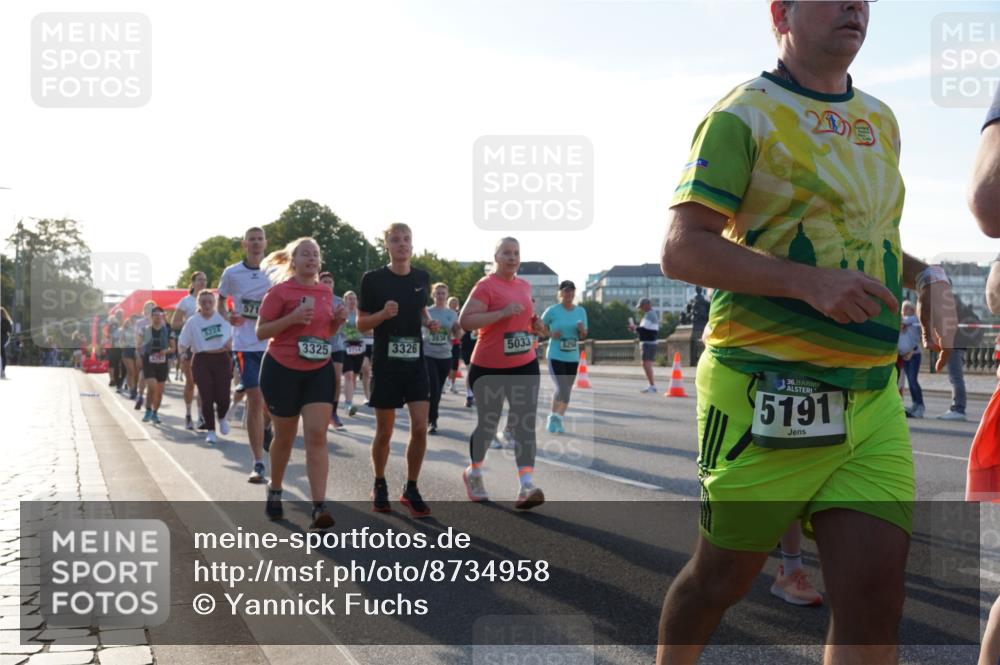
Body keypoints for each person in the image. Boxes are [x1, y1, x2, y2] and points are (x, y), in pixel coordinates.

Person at [656, 2, 956, 663]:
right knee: (719, 581)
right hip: (764, 391)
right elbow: (682, 248)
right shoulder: (742, 114)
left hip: (870, 400)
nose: (855, 5)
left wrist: (928, 275)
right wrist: (807, 282)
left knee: (876, 599)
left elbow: (867, 240)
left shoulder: (880, 119)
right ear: (781, 13)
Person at [255, 237, 346, 529]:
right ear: (293, 261)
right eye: (305, 254)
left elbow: (325, 333)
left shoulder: (325, 292)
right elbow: (261, 331)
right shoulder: (279, 292)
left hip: (318, 368)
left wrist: (338, 322)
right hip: (281, 369)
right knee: (285, 436)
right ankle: (276, 488)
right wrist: (292, 318)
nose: (311, 258)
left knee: (317, 435)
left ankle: (319, 507)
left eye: (316, 254)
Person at [459, 237, 547, 510]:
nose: (512, 258)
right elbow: (466, 321)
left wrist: (536, 324)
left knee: (524, 423)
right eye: (506, 253)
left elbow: (524, 320)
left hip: (524, 362)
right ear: (495, 256)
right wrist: (502, 312)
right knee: (488, 424)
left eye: (516, 253)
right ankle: (473, 472)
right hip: (489, 366)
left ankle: (526, 486)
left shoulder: (524, 285)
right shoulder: (485, 286)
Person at [358, 223, 436, 517]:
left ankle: (411, 487)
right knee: (385, 431)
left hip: (415, 363)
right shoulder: (373, 279)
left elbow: (420, 307)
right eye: (395, 240)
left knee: (419, 427)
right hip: (387, 364)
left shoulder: (421, 277)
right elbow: (361, 323)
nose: (402, 244)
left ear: (412, 245)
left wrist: (428, 321)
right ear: (386, 245)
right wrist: (382, 314)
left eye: (407, 240)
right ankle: (379, 483)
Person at [218, 227, 274, 483]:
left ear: (265, 242)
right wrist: (228, 316)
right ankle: (258, 463)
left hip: (273, 343)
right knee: (254, 396)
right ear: (244, 244)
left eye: (259, 239)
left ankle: (266, 425)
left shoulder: (276, 270)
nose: (255, 243)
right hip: (246, 345)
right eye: (251, 239)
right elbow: (221, 302)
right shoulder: (232, 273)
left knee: (271, 402)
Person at [178, 289, 233, 444]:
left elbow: (234, 335)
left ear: (215, 303)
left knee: (223, 398)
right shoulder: (193, 321)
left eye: (210, 302)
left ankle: (222, 418)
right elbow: (182, 343)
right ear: (199, 304)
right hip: (202, 360)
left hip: (222, 358)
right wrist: (182, 353)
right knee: (206, 397)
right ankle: (211, 431)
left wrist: (231, 343)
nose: (207, 305)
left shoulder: (222, 318)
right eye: (204, 302)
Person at [540, 280, 588, 434]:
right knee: (562, 388)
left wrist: (582, 330)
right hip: (555, 354)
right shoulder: (552, 310)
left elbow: (584, 334)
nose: (569, 294)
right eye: (566, 291)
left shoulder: (580, 311)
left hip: (572, 356)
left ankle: (558, 418)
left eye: (572, 291)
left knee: (567, 389)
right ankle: (552, 417)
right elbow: (537, 327)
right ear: (560, 293)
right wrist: (550, 334)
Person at [425, 283, 463, 434]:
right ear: (433, 295)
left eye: (443, 293)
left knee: (438, 390)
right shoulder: (427, 311)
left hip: (445, 355)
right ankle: (432, 420)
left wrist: (459, 331)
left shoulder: (452, 314)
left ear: (446, 296)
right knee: (433, 387)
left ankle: (431, 415)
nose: (440, 296)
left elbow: (458, 333)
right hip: (428, 353)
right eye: (438, 293)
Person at [172, 271, 208, 430]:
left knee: (203, 384)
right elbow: (174, 324)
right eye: (199, 280)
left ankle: (200, 416)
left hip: (206, 347)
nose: (202, 282)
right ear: (192, 283)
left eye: (205, 280)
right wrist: (189, 321)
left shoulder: (209, 300)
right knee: (191, 382)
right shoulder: (186, 302)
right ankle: (188, 414)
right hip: (188, 347)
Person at [938, 297, 982, 422]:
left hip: (954, 344)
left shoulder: (950, 301)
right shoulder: (955, 301)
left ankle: (958, 409)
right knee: (955, 378)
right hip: (957, 344)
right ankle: (956, 407)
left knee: (956, 378)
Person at [319, 272, 347, 430]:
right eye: (324, 281)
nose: (327, 284)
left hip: (336, 346)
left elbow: (341, 325)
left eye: (330, 281)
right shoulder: (315, 298)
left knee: (337, 379)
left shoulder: (338, 302)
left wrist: (338, 321)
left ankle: (333, 412)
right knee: (321, 380)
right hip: (318, 346)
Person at [140, 307, 174, 425]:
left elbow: (173, 348)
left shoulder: (168, 330)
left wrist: (165, 351)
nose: (157, 317)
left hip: (162, 362)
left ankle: (155, 412)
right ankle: (148, 410)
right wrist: (139, 354)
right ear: (151, 316)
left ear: (163, 316)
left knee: (159, 391)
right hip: (149, 361)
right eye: (155, 314)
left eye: (160, 314)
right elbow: (139, 345)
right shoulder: (145, 330)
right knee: (152, 386)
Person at [898, 301, 925, 418]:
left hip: (913, 354)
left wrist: (901, 322)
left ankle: (920, 405)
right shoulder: (903, 324)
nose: (904, 312)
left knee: (913, 380)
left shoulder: (913, 320)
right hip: (905, 356)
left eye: (906, 309)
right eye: (903, 309)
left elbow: (904, 320)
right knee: (910, 381)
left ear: (912, 310)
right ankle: (915, 403)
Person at [340, 290, 365, 416]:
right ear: (344, 300)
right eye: (349, 298)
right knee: (348, 375)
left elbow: (368, 329)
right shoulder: (342, 313)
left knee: (354, 377)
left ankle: (349, 399)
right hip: (345, 347)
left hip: (359, 348)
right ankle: (348, 404)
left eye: (354, 298)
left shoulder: (360, 314)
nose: (352, 301)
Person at [629, 298, 659, 393]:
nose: (641, 308)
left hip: (648, 343)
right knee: (646, 363)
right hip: (649, 342)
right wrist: (635, 329)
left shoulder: (649, 314)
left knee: (646, 364)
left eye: (641, 306)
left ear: (647, 304)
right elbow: (644, 329)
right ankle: (651, 385)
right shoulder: (649, 314)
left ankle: (652, 386)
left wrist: (634, 328)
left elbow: (643, 329)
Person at [133, 301, 156, 410]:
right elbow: (136, 338)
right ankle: (140, 396)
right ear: (144, 310)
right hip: (143, 352)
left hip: (156, 353)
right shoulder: (139, 322)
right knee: (143, 376)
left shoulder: (160, 322)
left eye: (152, 308)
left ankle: (149, 400)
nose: (149, 310)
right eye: (147, 308)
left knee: (153, 379)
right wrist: (137, 354)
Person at [120, 317, 139, 399]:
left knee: (136, 372)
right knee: (130, 371)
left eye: (130, 321)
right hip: (127, 350)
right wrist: (122, 345)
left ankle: (135, 387)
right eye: (127, 322)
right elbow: (121, 341)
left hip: (136, 350)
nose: (129, 323)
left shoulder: (137, 330)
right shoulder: (123, 331)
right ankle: (132, 390)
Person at [447, 296, 463, 393]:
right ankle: (445, 382)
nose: (453, 304)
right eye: (451, 302)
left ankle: (453, 384)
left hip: (456, 342)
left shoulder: (459, 314)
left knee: (455, 364)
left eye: (455, 302)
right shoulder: (445, 313)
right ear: (448, 303)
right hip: (446, 342)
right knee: (446, 363)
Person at [0, 307, 11, 379]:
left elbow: (9, 331)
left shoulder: (6, 321)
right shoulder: (6, 320)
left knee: (2, 352)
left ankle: (2, 371)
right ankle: (2, 371)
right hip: (3, 338)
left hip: (3, 338)